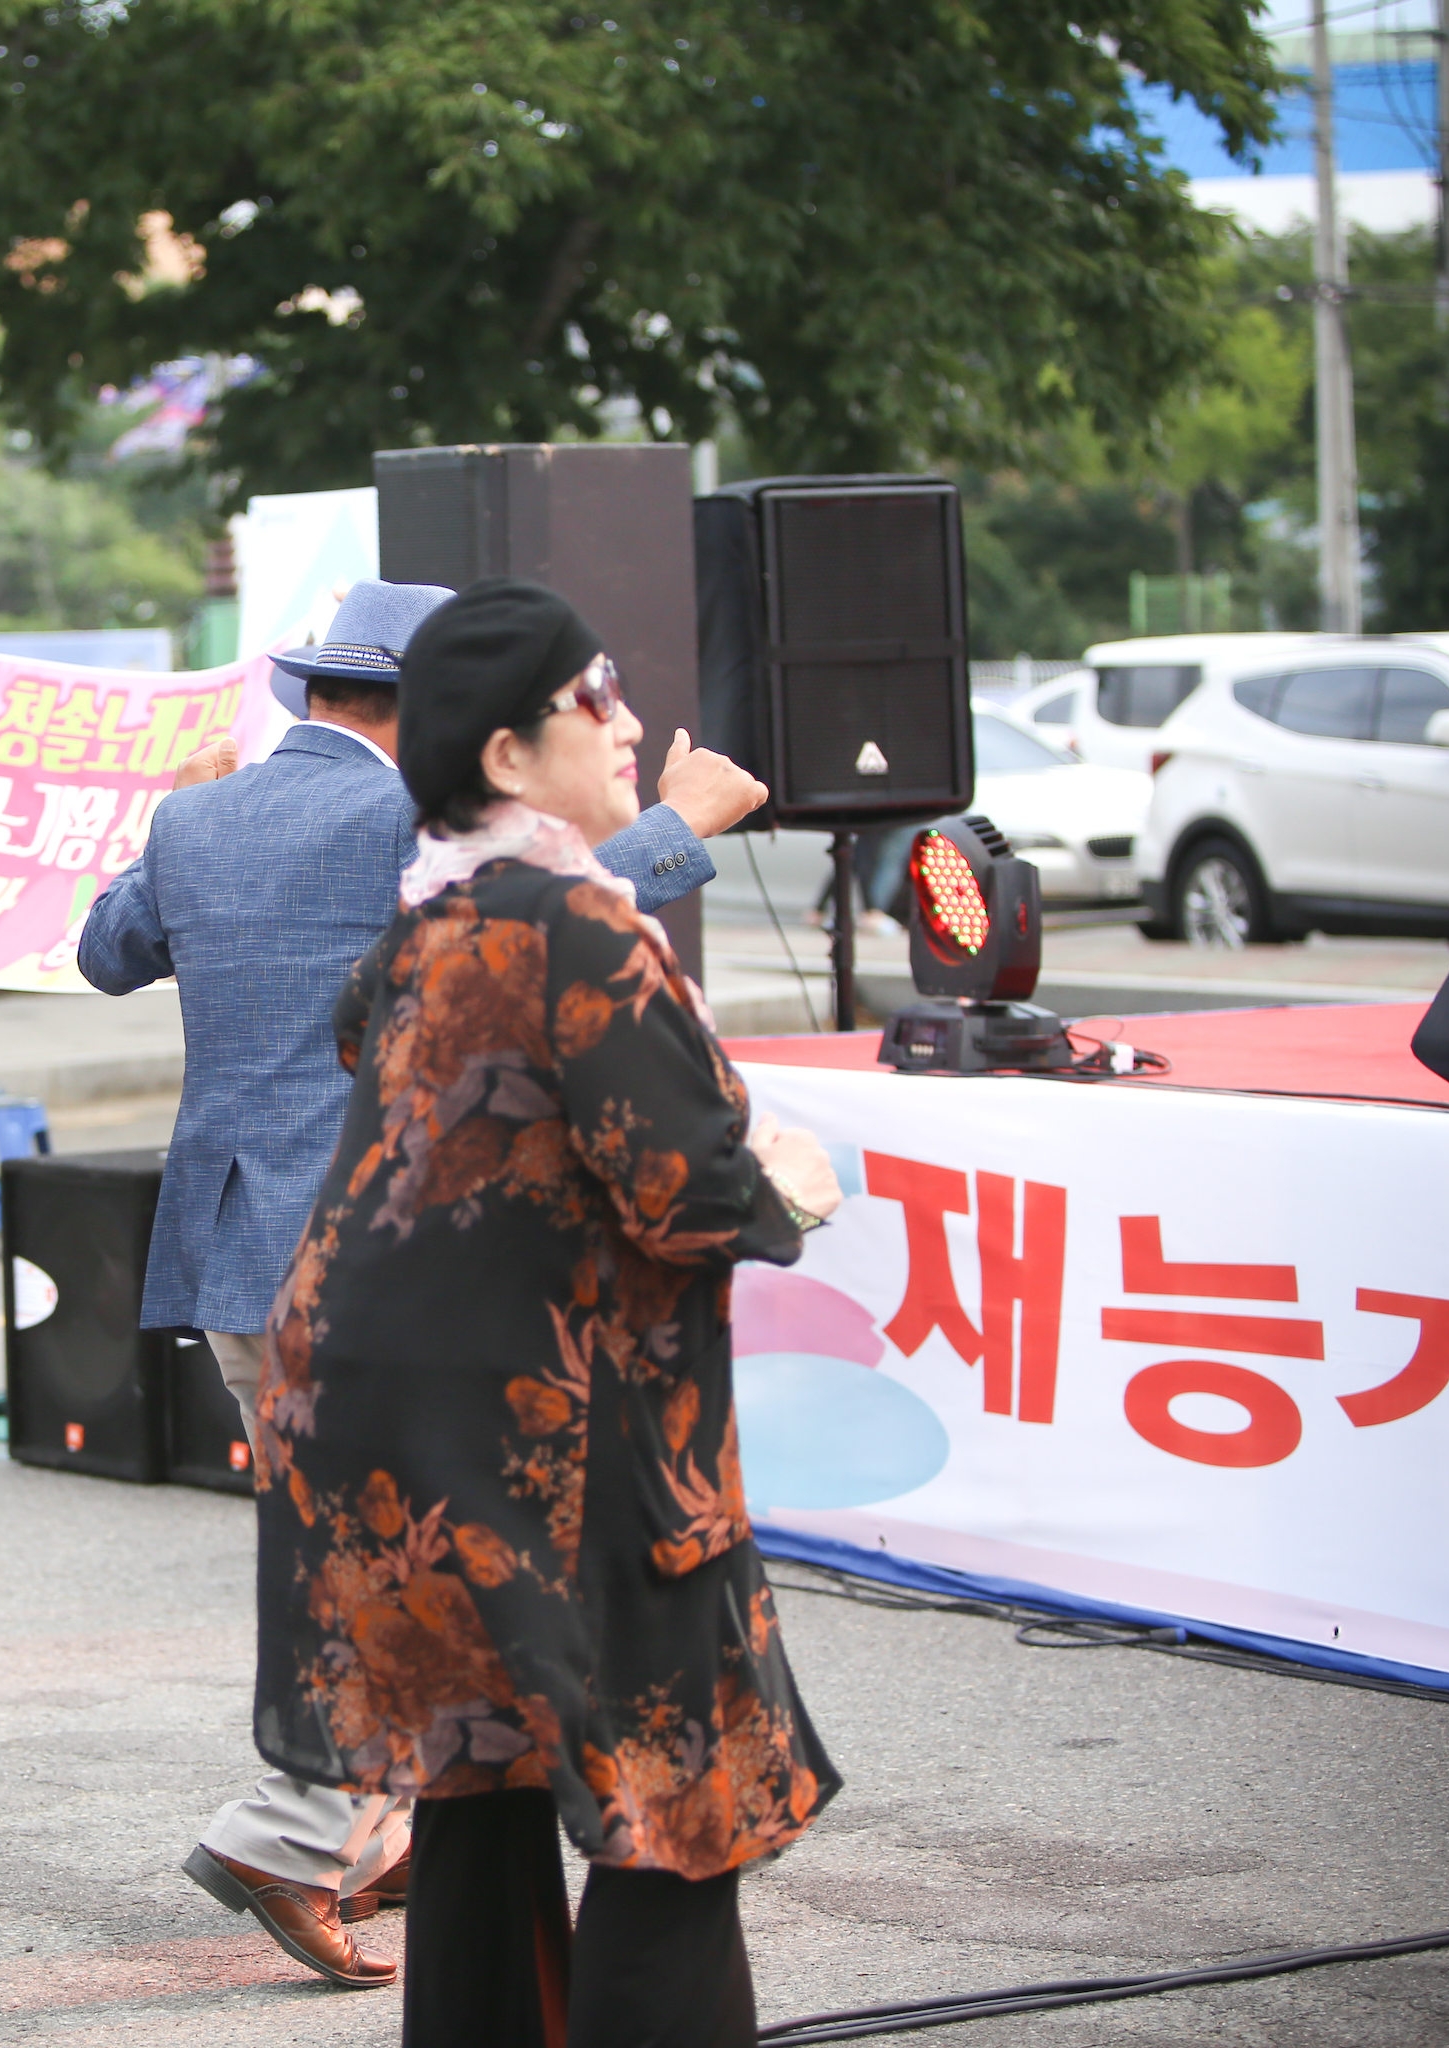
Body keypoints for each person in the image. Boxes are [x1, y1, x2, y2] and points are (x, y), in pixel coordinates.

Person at [76, 579, 769, 1987]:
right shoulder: (407, 816)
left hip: (231, 1247)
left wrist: (191, 844)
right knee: (418, 1566)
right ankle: (293, 1830)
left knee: (364, 1552)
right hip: (379, 1253)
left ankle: (379, 1831)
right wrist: (682, 823)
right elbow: (547, 921)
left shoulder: (197, 817)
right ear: (435, 709)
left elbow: (106, 953)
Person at [259, 581, 844, 2047]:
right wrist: (783, 1180)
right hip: (567, 1437)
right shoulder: (578, 921)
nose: (629, 721)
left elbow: (404, 1082)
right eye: (597, 697)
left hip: (400, 1439)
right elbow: (686, 1196)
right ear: (509, 755)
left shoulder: (434, 918)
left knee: (483, 1797)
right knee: (672, 1808)